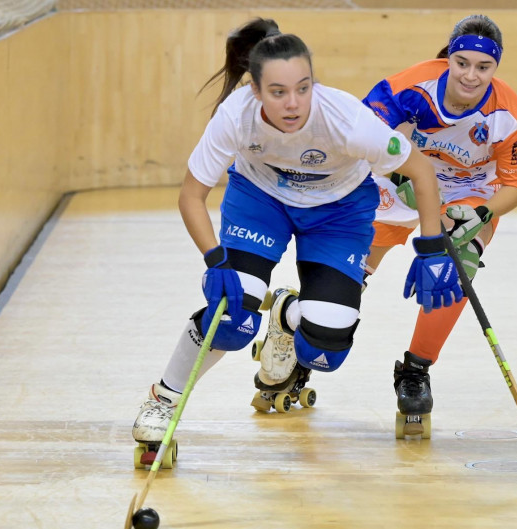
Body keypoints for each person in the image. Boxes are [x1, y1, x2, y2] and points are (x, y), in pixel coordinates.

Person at [132, 17, 463, 463]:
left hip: (338, 212)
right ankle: (164, 399)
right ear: (255, 91)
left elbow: (420, 171)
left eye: (303, 88)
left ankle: (287, 314)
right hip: (260, 201)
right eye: (279, 92)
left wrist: (430, 247)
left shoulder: (347, 119)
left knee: (326, 350)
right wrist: (215, 261)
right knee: (230, 316)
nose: (293, 104)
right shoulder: (235, 116)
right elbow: (192, 195)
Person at [361, 14, 517, 438]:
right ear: (449, 58)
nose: (471, 75)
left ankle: (415, 371)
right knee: (353, 272)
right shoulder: (407, 88)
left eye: (483, 67)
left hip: (468, 193)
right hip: (403, 178)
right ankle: (299, 328)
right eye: (462, 63)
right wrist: (396, 177)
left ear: (496, 68)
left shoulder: (510, 115)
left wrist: (484, 214)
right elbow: (360, 137)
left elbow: (514, 186)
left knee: (457, 273)